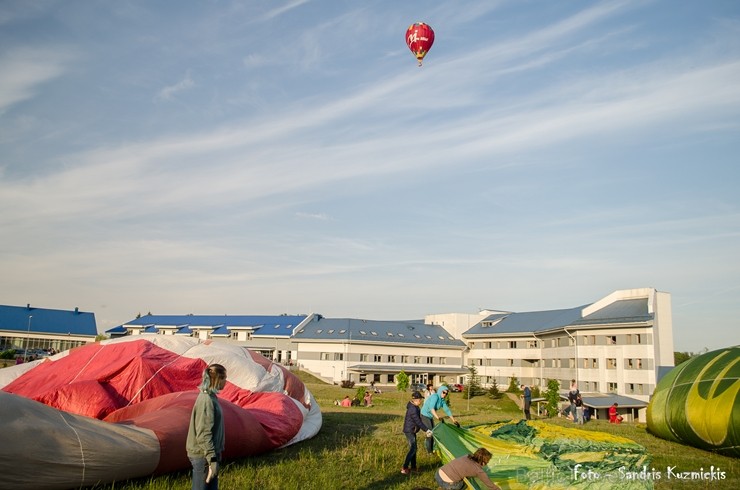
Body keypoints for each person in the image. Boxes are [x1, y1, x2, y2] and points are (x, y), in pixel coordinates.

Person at [187, 363, 227, 490]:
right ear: (217, 379)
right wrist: (212, 459)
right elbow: (204, 434)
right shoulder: (206, 400)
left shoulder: (211, 397)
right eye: (224, 378)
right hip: (203, 455)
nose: (226, 381)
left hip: (210, 454)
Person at [435, 448, 500, 490]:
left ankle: (441, 487)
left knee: (463, 475)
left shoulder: (466, 456)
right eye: (487, 461)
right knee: (468, 482)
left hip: (438, 474)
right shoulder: (478, 471)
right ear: (483, 462)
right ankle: (445, 488)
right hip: (448, 485)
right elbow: (490, 485)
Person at [420, 385, 459, 453]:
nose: (445, 394)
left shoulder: (442, 400)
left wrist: (453, 420)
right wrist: (438, 417)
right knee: (430, 433)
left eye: (446, 393)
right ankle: (429, 452)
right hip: (424, 415)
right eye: (444, 392)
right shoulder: (435, 396)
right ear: (440, 391)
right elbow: (431, 408)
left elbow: (447, 410)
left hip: (430, 416)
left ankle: (431, 449)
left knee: (433, 432)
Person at [401, 391, 433, 475]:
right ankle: (404, 468)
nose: (421, 401)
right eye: (420, 400)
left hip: (412, 430)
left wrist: (425, 429)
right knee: (413, 449)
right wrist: (426, 430)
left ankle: (414, 467)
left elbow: (419, 421)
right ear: (415, 400)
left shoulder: (415, 407)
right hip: (409, 431)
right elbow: (418, 421)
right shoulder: (412, 409)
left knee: (414, 449)